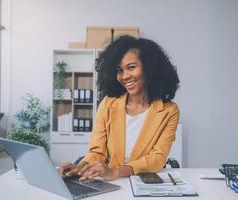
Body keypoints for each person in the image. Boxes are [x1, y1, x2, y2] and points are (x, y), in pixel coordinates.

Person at [59, 35, 180, 181]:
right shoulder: (108, 104)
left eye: (131, 67)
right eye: (119, 70)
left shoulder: (169, 111)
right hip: (111, 183)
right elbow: (97, 151)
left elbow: (158, 158)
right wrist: (81, 167)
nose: (124, 76)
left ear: (149, 68)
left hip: (141, 181)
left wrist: (116, 172)